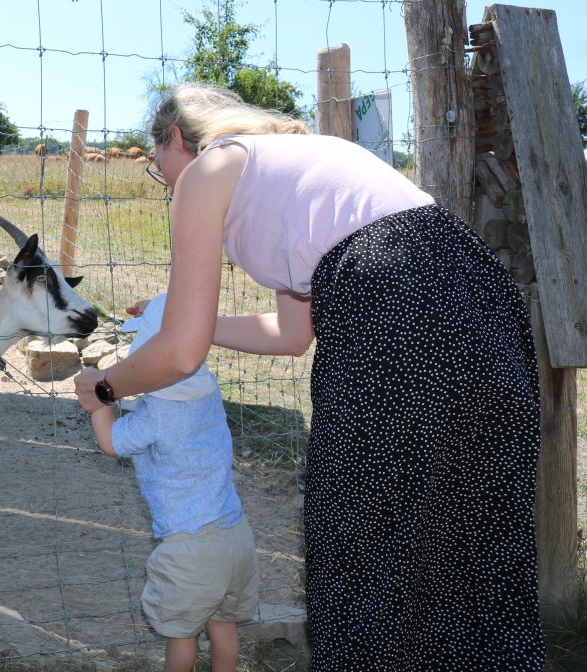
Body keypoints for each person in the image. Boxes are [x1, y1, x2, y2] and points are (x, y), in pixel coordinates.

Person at [74, 82, 543, 671]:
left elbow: (180, 356)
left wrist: (106, 386)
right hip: (474, 291)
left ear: (176, 138)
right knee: (473, 544)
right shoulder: (292, 171)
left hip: (388, 300)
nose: (163, 179)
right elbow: (291, 334)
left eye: (156, 164)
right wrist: (192, 322)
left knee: (362, 548)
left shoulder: (207, 171)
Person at [81, 292, 258, 672]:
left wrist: (99, 405)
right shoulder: (208, 392)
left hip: (190, 545)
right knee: (222, 626)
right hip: (235, 534)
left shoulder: (157, 413)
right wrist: (163, 306)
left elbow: (111, 444)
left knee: (182, 635)